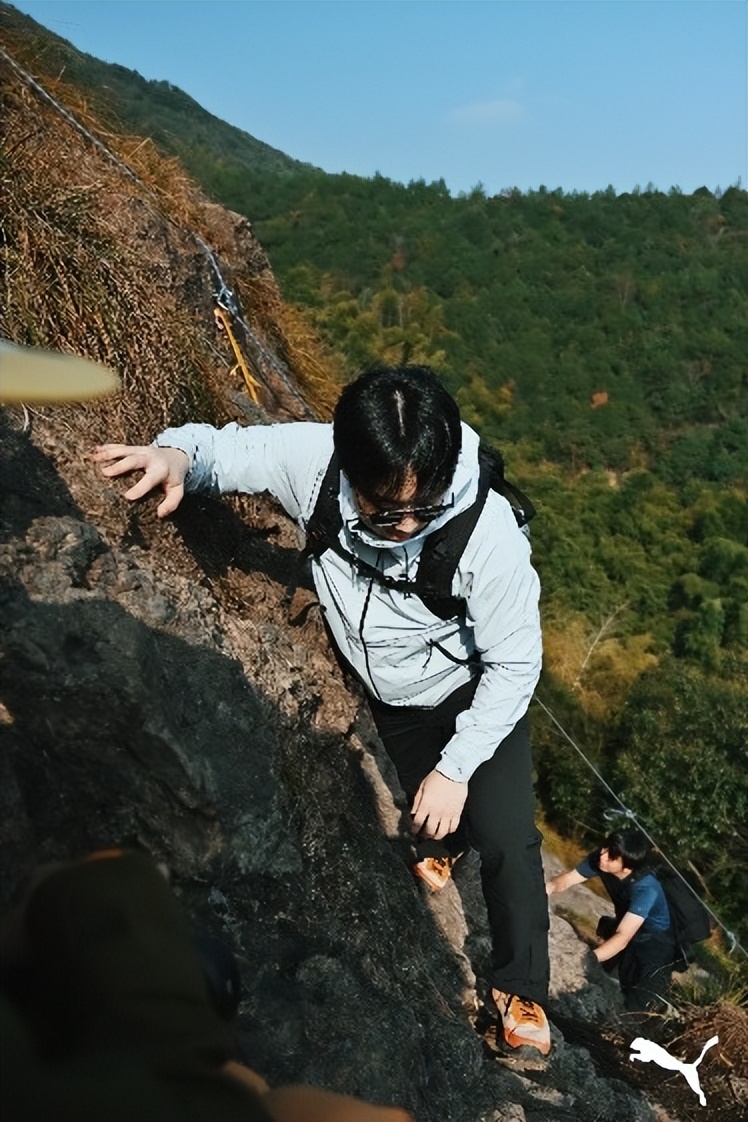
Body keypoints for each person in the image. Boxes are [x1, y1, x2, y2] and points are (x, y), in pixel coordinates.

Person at [93, 364, 551, 1057]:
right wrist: (173, 455)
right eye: (382, 509)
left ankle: (521, 991)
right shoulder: (315, 465)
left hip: (471, 687)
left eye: (421, 510)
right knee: (423, 795)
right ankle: (442, 842)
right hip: (390, 695)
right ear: (350, 474)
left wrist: (458, 768)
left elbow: (516, 665)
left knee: (509, 837)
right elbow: (227, 450)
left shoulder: (487, 536)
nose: (403, 527)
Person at [546, 828, 675, 1012]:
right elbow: (567, 880)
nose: (603, 854)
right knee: (602, 975)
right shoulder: (601, 860)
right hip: (626, 924)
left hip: (654, 942)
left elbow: (623, 937)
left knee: (640, 1003)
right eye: (605, 847)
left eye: (611, 856)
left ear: (627, 867)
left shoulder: (646, 889)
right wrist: (547, 888)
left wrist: (587, 959)